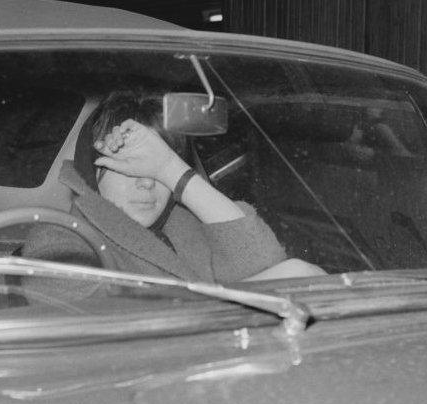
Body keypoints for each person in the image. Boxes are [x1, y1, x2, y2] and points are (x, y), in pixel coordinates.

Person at [22, 91, 320, 291]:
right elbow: (105, 336)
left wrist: (172, 170)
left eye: (154, 169)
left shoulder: (189, 229)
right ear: (92, 171)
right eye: (129, 165)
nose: (147, 182)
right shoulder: (61, 238)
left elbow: (265, 264)